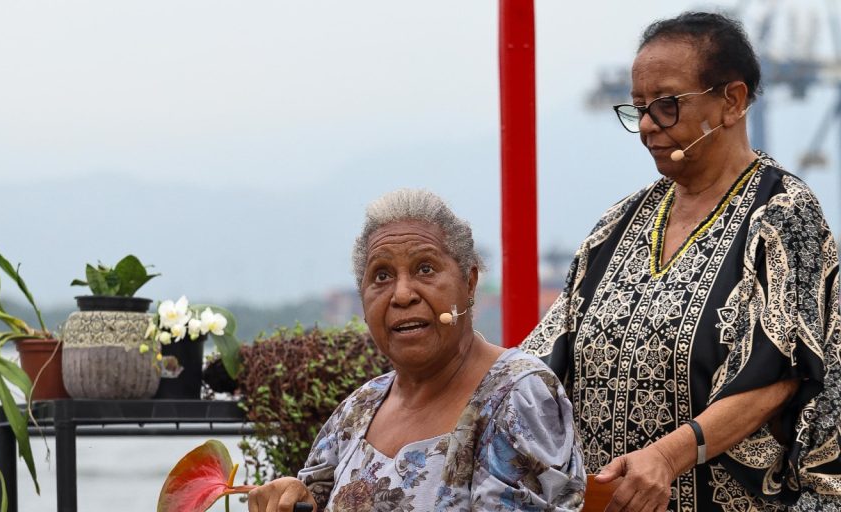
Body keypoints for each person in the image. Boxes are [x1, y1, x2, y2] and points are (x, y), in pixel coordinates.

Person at [521, 11, 841, 512]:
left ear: (733, 101)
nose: (647, 125)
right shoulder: (619, 222)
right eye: (640, 108)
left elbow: (781, 375)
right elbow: (546, 356)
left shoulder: (782, 214)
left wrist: (668, 457)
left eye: (667, 105)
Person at [247, 189, 586, 511]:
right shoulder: (359, 409)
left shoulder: (518, 396)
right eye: (381, 276)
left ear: (469, 283)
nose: (402, 294)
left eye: (425, 269)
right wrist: (289, 493)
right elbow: (310, 497)